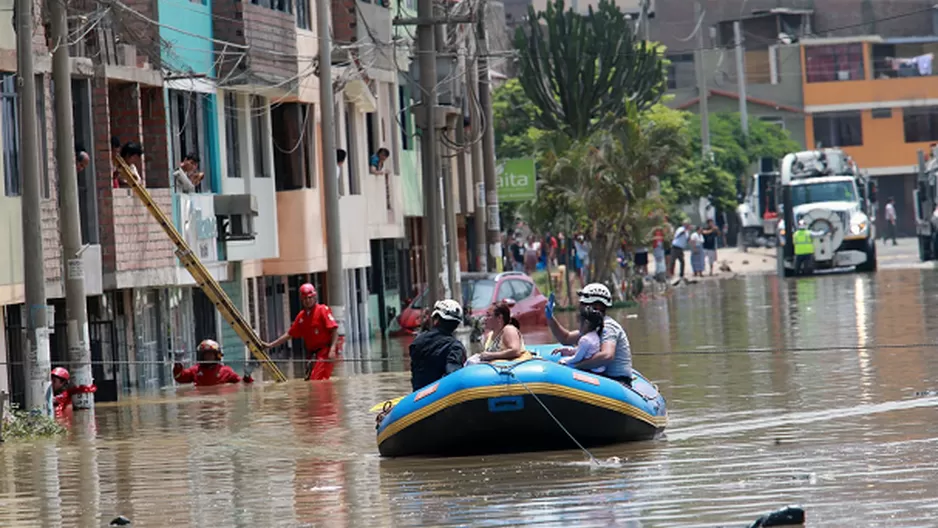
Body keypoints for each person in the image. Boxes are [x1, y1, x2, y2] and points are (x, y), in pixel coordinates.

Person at [546, 283, 633, 386]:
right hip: (604, 378)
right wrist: (550, 318)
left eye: (583, 303)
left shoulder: (608, 327)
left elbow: (607, 355)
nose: (580, 306)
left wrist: (577, 365)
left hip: (618, 381)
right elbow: (566, 338)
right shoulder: (593, 325)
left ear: (596, 306)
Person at [264, 283, 341, 381]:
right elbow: (289, 334)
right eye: (305, 299)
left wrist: (332, 349)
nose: (308, 301)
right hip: (312, 354)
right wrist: (271, 345)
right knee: (310, 380)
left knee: (316, 380)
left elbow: (334, 329)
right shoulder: (301, 316)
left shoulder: (322, 310)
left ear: (314, 297)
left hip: (325, 352)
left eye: (310, 298)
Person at [409, 300, 467, 390]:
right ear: (456, 325)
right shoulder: (455, 347)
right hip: (439, 398)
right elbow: (453, 376)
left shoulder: (418, 341)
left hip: (417, 397)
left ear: (436, 320)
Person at [173, 339, 254, 386]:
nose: (208, 357)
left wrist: (247, 376)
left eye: (211, 354)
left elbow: (243, 384)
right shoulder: (195, 370)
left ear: (216, 356)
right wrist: (178, 363)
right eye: (206, 354)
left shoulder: (226, 371)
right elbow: (179, 378)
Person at [552, 306, 606, 373]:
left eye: (579, 322)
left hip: (592, 371)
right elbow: (582, 350)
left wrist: (564, 360)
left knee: (562, 363)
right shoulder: (594, 334)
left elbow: (577, 358)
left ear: (586, 323)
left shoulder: (585, 339)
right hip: (599, 370)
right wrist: (568, 350)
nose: (578, 325)